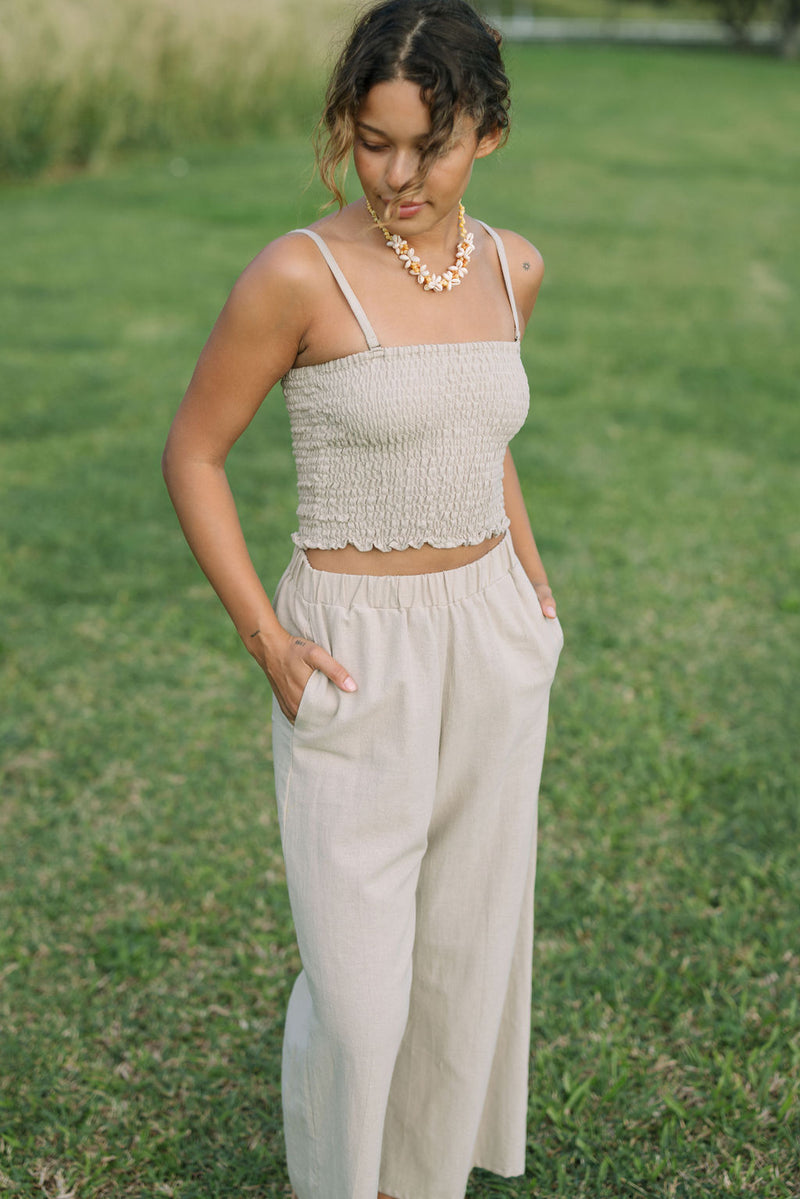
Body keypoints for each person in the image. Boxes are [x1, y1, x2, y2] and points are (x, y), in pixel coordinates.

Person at [162, 0, 563, 1195]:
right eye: (369, 139)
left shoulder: (512, 268)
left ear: (485, 133)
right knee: (358, 992)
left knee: (458, 953)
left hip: (491, 643)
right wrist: (267, 640)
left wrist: (532, 591)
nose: (393, 174)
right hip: (349, 654)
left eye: (425, 147)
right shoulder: (297, 273)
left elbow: (475, 430)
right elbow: (193, 451)